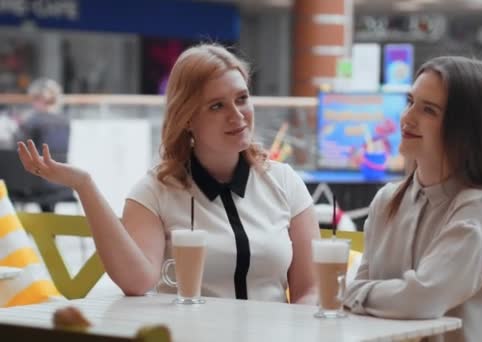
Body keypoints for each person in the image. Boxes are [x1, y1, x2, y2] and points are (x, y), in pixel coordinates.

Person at [17, 43, 319, 304]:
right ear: (187, 118)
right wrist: (84, 185)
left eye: (242, 98)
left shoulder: (283, 182)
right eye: (217, 106)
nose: (237, 115)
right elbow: (136, 282)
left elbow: (311, 290)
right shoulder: (155, 192)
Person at [343, 56, 482, 342]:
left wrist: (350, 292)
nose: (408, 117)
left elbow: (423, 298)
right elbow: (363, 292)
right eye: (410, 101)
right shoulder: (386, 200)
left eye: (429, 110)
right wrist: (356, 292)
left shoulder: (480, 207)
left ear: (466, 129)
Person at [19, 78, 72, 212]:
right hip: (62, 182)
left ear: (40, 99)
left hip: (37, 182)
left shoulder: (32, 122)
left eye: (34, 99)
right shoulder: (66, 121)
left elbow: (22, 150)